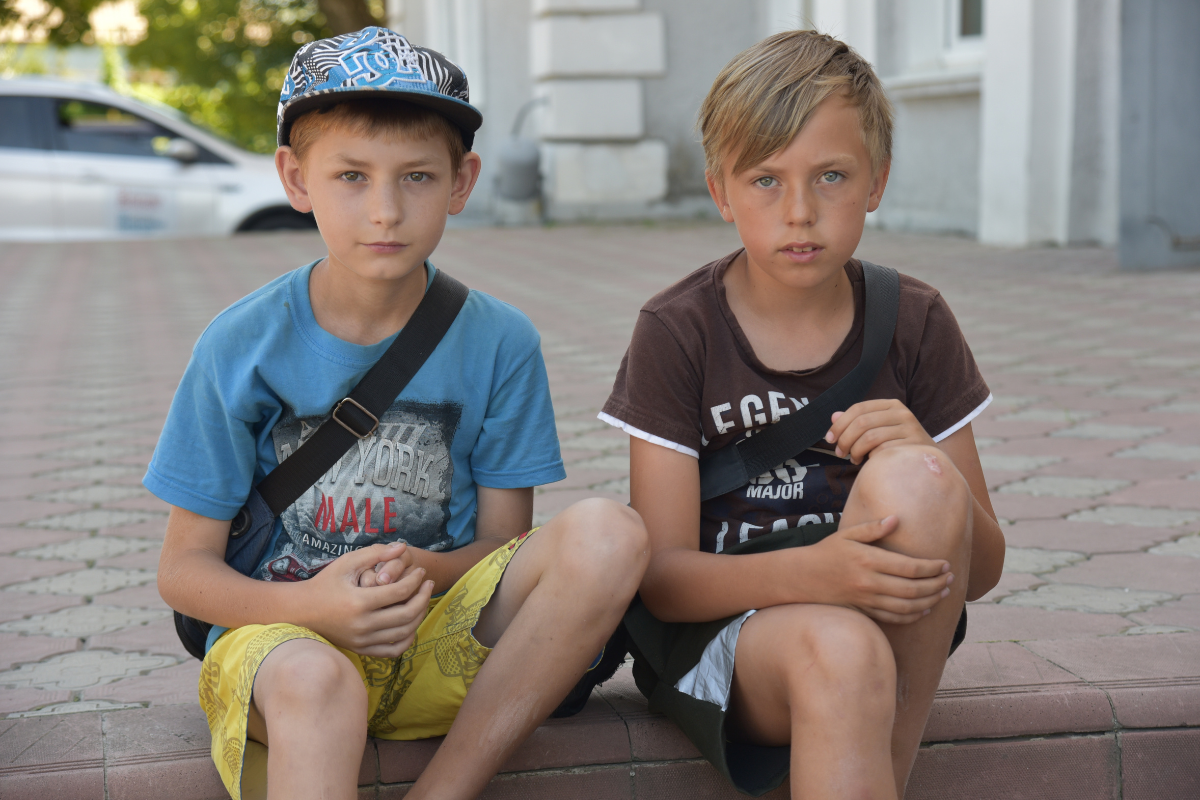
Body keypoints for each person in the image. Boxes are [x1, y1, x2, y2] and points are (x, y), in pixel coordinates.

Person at [146, 27, 647, 800]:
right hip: (287, 648)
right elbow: (183, 573)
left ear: (460, 181)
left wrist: (420, 572)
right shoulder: (239, 345)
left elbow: (500, 547)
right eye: (351, 175)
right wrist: (316, 606)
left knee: (611, 533)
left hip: (437, 643)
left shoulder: (501, 341)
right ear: (295, 177)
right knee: (319, 684)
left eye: (415, 176)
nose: (385, 210)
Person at [599, 30, 1005, 799]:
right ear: (720, 191)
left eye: (830, 176)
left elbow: (979, 572)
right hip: (725, 639)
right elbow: (662, 581)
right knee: (839, 647)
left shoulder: (915, 320)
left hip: (886, 624)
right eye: (765, 181)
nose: (799, 212)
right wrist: (822, 572)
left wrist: (929, 456)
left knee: (917, 479)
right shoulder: (678, 328)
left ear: (876, 180)